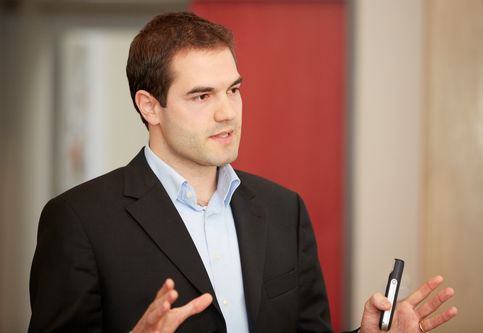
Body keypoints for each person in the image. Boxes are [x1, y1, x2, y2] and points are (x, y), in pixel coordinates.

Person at [28, 12, 457, 333]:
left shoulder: (283, 209)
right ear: (149, 106)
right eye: (201, 96)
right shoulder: (78, 221)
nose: (227, 112)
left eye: (233, 90)